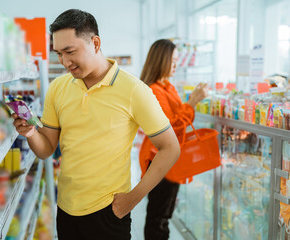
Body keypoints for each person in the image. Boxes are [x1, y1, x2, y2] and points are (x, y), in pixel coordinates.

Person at [12, 9, 180, 240]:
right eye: (59, 53)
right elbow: (46, 149)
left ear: (95, 43)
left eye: (70, 51)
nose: (65, 62)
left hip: (109, 212)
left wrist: (133, 199)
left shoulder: (134, 90)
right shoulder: (57, 88)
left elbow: (170, 147)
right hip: (66, 209)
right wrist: (31, 132)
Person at [139, 39, 207, 240]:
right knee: (158, 216)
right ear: (162, 60)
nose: (176, 65)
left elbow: (180, 120)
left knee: (164, 213)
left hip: (170, 159)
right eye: (174, 60)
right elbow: (169, 126)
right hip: (159, 160)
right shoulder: (155, 90)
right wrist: (192, 101)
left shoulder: (167, 87)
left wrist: (190, 105)